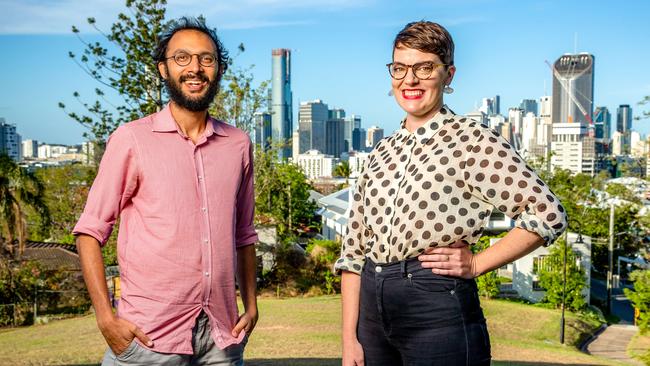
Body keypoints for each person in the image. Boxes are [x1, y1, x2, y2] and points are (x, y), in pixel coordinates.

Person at [336, 21, 567, 366]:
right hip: (371, 311)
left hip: (436, 309)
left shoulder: (472, 140)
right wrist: (348, 339)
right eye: (400, 68)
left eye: (424, 67)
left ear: (449, 75)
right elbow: (353, 252)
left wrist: (477, 262)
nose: (409, 80)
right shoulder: (381, 151)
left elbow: (548, 214)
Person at [73, 17, 258, 365]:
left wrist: (251, 304)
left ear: (218, 69)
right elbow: (89, 231)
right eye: (182, 58)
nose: (195, 68)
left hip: (223, 336)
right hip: (149, 337)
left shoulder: (238, 144)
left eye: (206, 59)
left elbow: (244, 234)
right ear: (163, 69)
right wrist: (105, 318)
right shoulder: (131, 139)